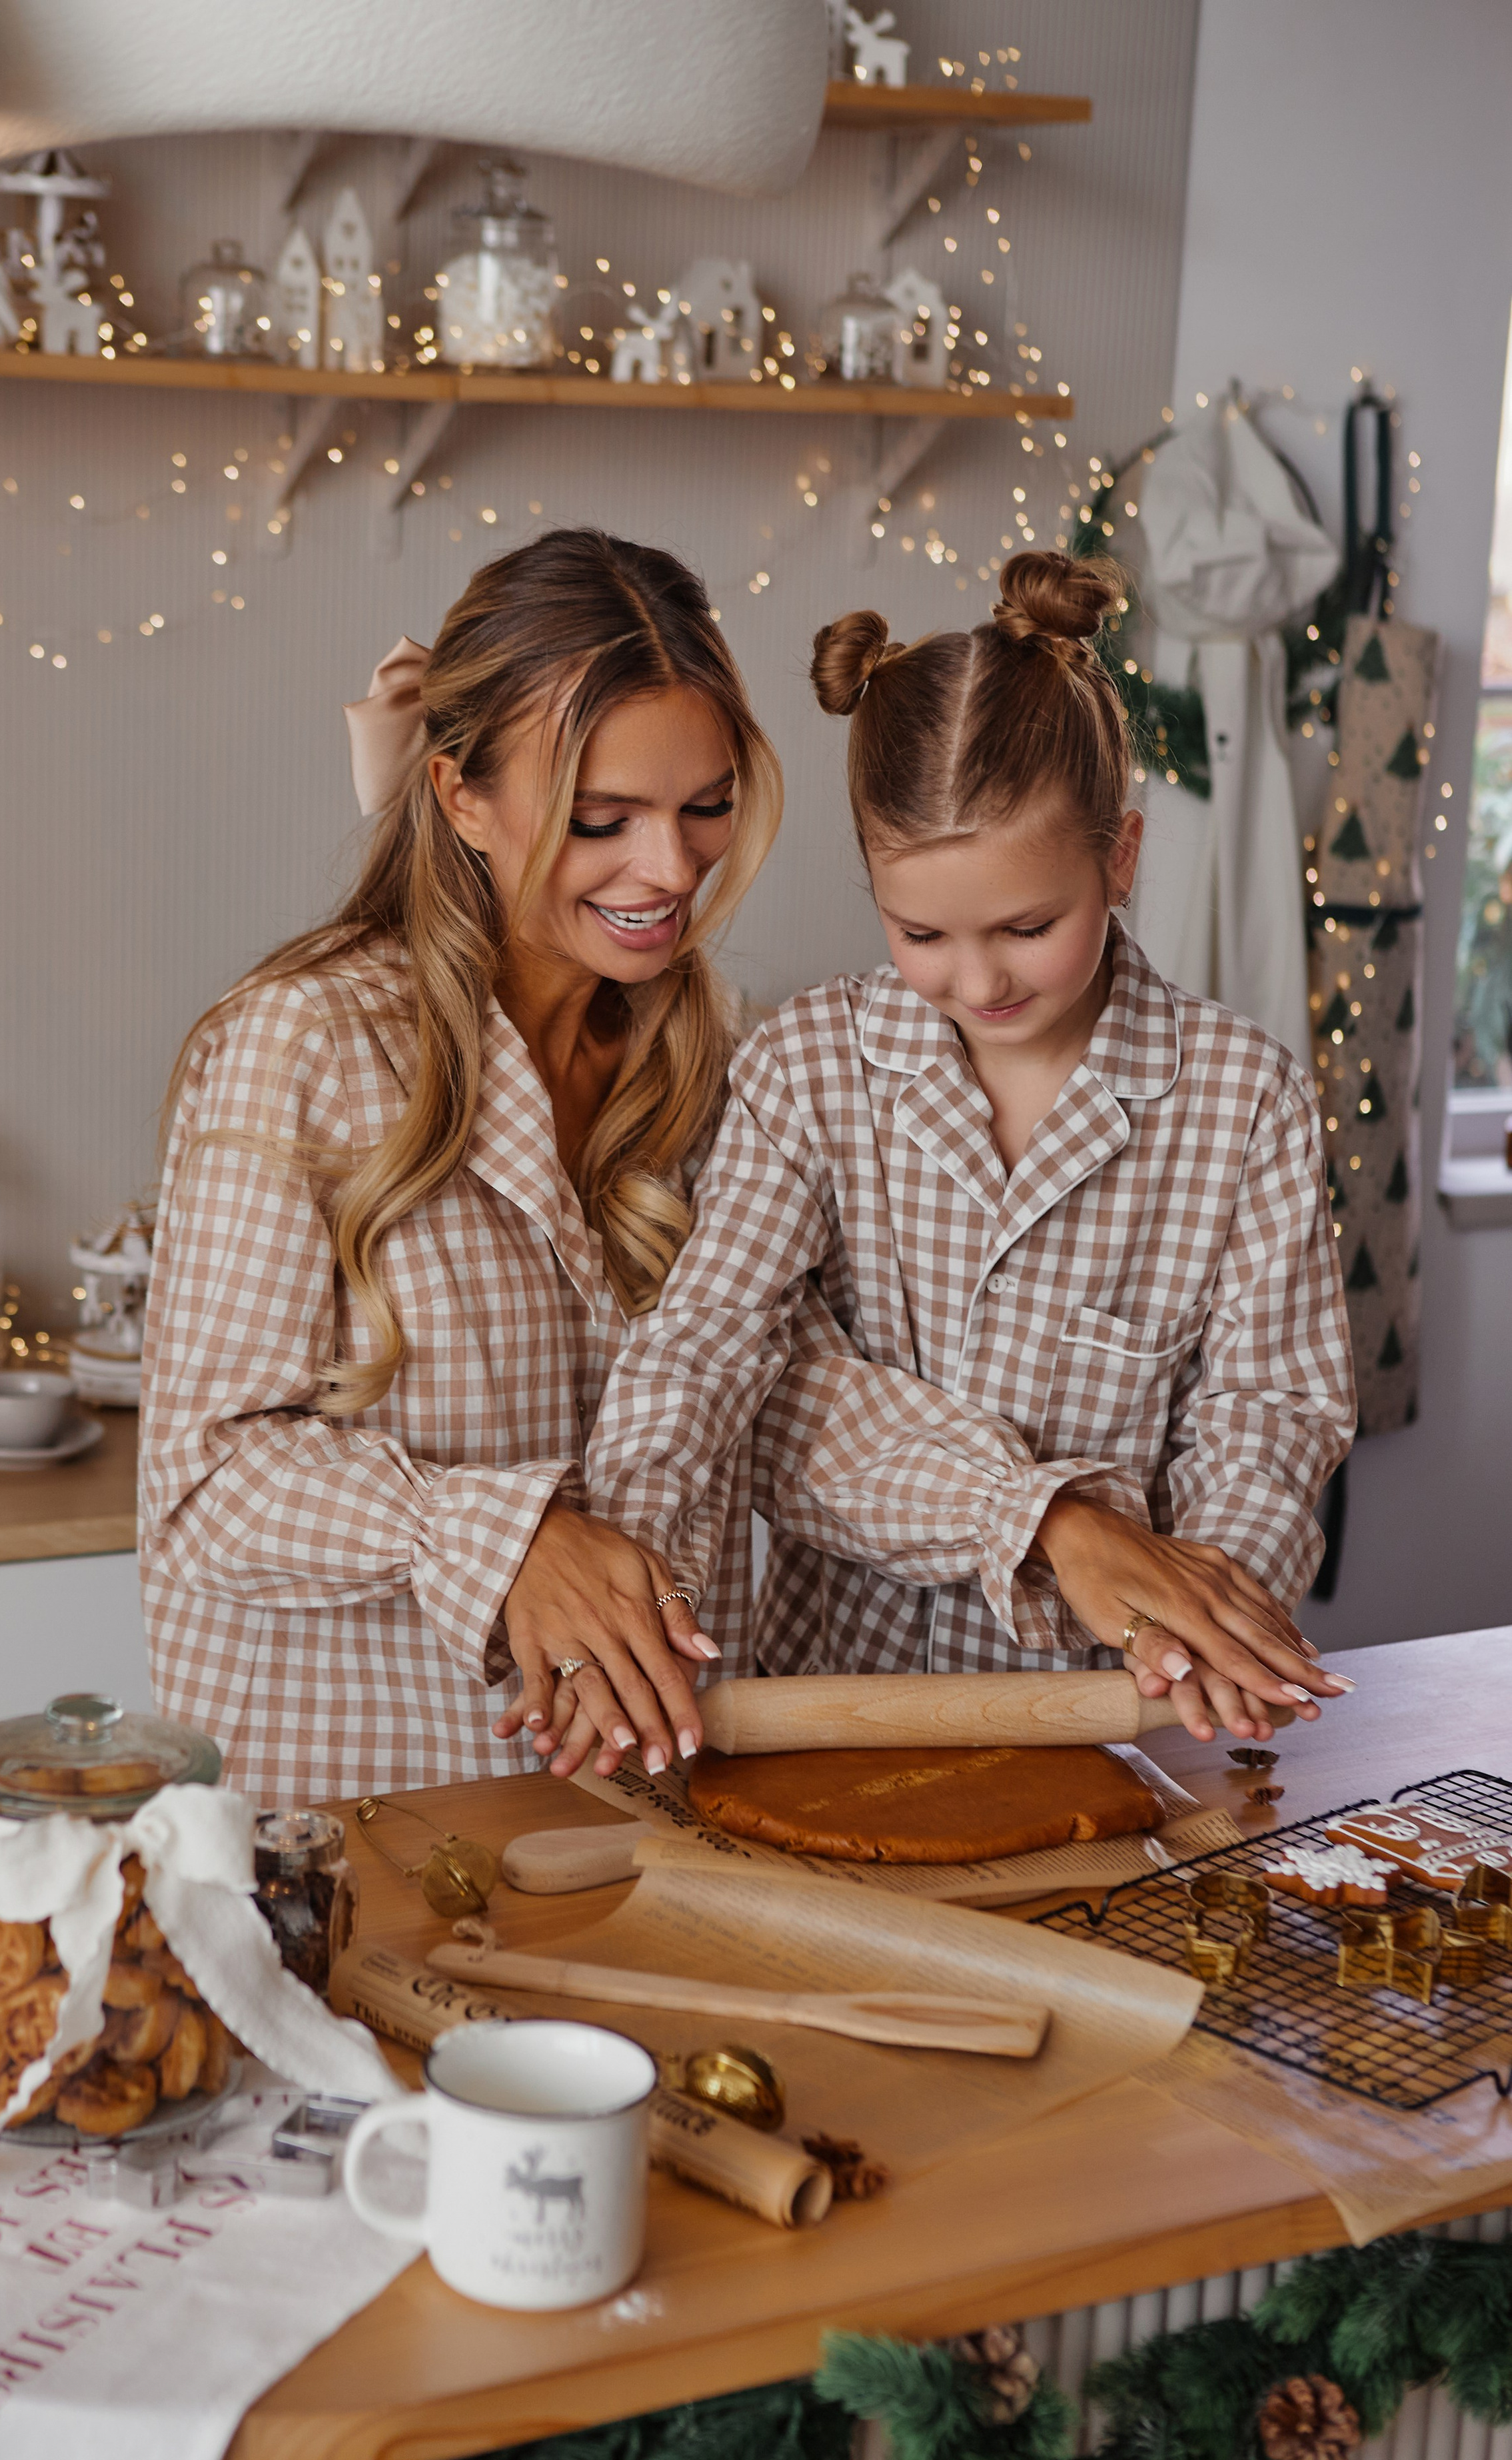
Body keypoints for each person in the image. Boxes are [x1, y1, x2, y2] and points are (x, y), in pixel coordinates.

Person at [542, 550, 1355, 1778]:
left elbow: (1271, 1414)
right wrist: (627, 1607)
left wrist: (1202, 1616)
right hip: (820, 1728)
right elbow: (707, 1354)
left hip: (1108, 1741)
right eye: (921, 933)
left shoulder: (1247, 1103)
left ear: (1120, 856)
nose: (978, 984)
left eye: (1030, 928)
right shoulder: (809, 1067)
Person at [139, 528, 780, 1802]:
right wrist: (504, 1538)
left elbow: (759, 1401)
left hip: (650, 1815)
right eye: (604, 819)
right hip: (358, 1833)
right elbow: (206, 1485)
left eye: (705, 806)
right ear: (459, 795)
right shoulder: (304, 1044)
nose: (670, 872)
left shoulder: (713, 1059)